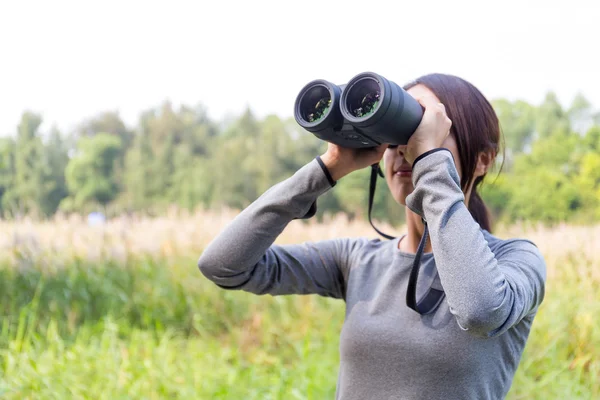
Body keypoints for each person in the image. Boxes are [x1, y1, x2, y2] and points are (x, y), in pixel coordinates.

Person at [198, 73, 547, 400]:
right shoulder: (358, 259)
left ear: (483, 160)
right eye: (397, 135)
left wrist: (429, 161)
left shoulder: (515, 261)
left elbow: (480, 310)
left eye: (423, 130)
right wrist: (326, 169)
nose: (403, 148)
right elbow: (222, 265)